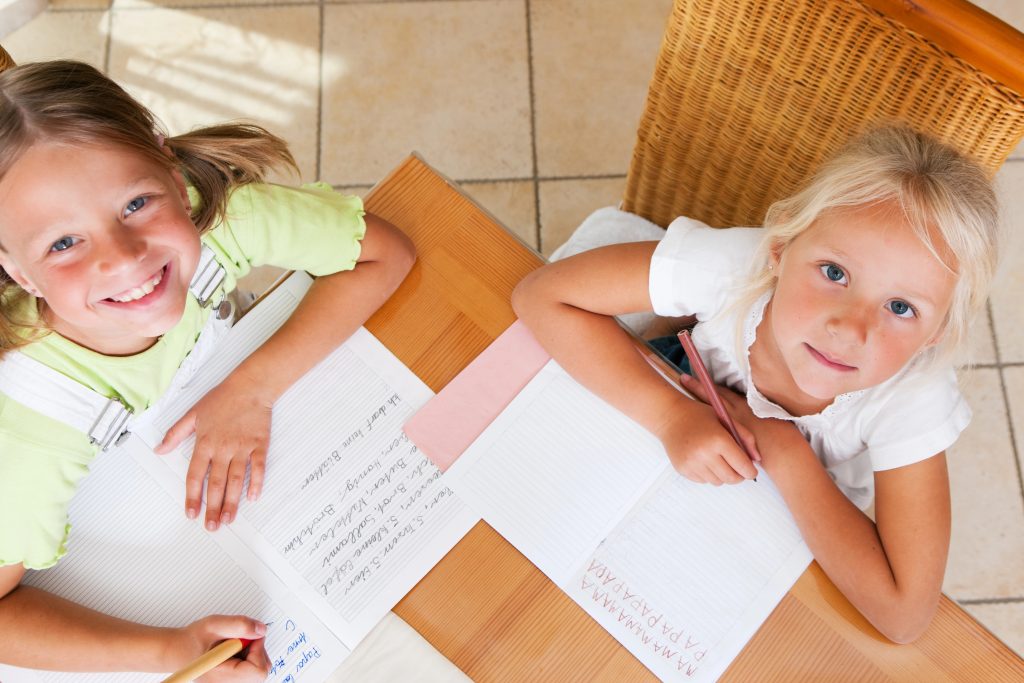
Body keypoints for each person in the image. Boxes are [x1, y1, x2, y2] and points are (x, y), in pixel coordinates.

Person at [0, 58, 416, 676]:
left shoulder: (216, 216)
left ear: (172, 174)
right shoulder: (33, 434)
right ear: (18, 273)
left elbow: (386, 254)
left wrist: (251, 389)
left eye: (135, 203)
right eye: (63, 243)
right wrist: (170, 650)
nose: (126, 259)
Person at [511, 125, 999, 644]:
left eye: (900, 307)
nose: (849, 329)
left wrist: (780, 444)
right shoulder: (729, 266)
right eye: (834, 272)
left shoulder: (914, 395)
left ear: (935, 334)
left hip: (804, 498)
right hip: (677, 402)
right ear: (780, 247)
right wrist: (670, 416)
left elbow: (904, 616)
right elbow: (542, 295)